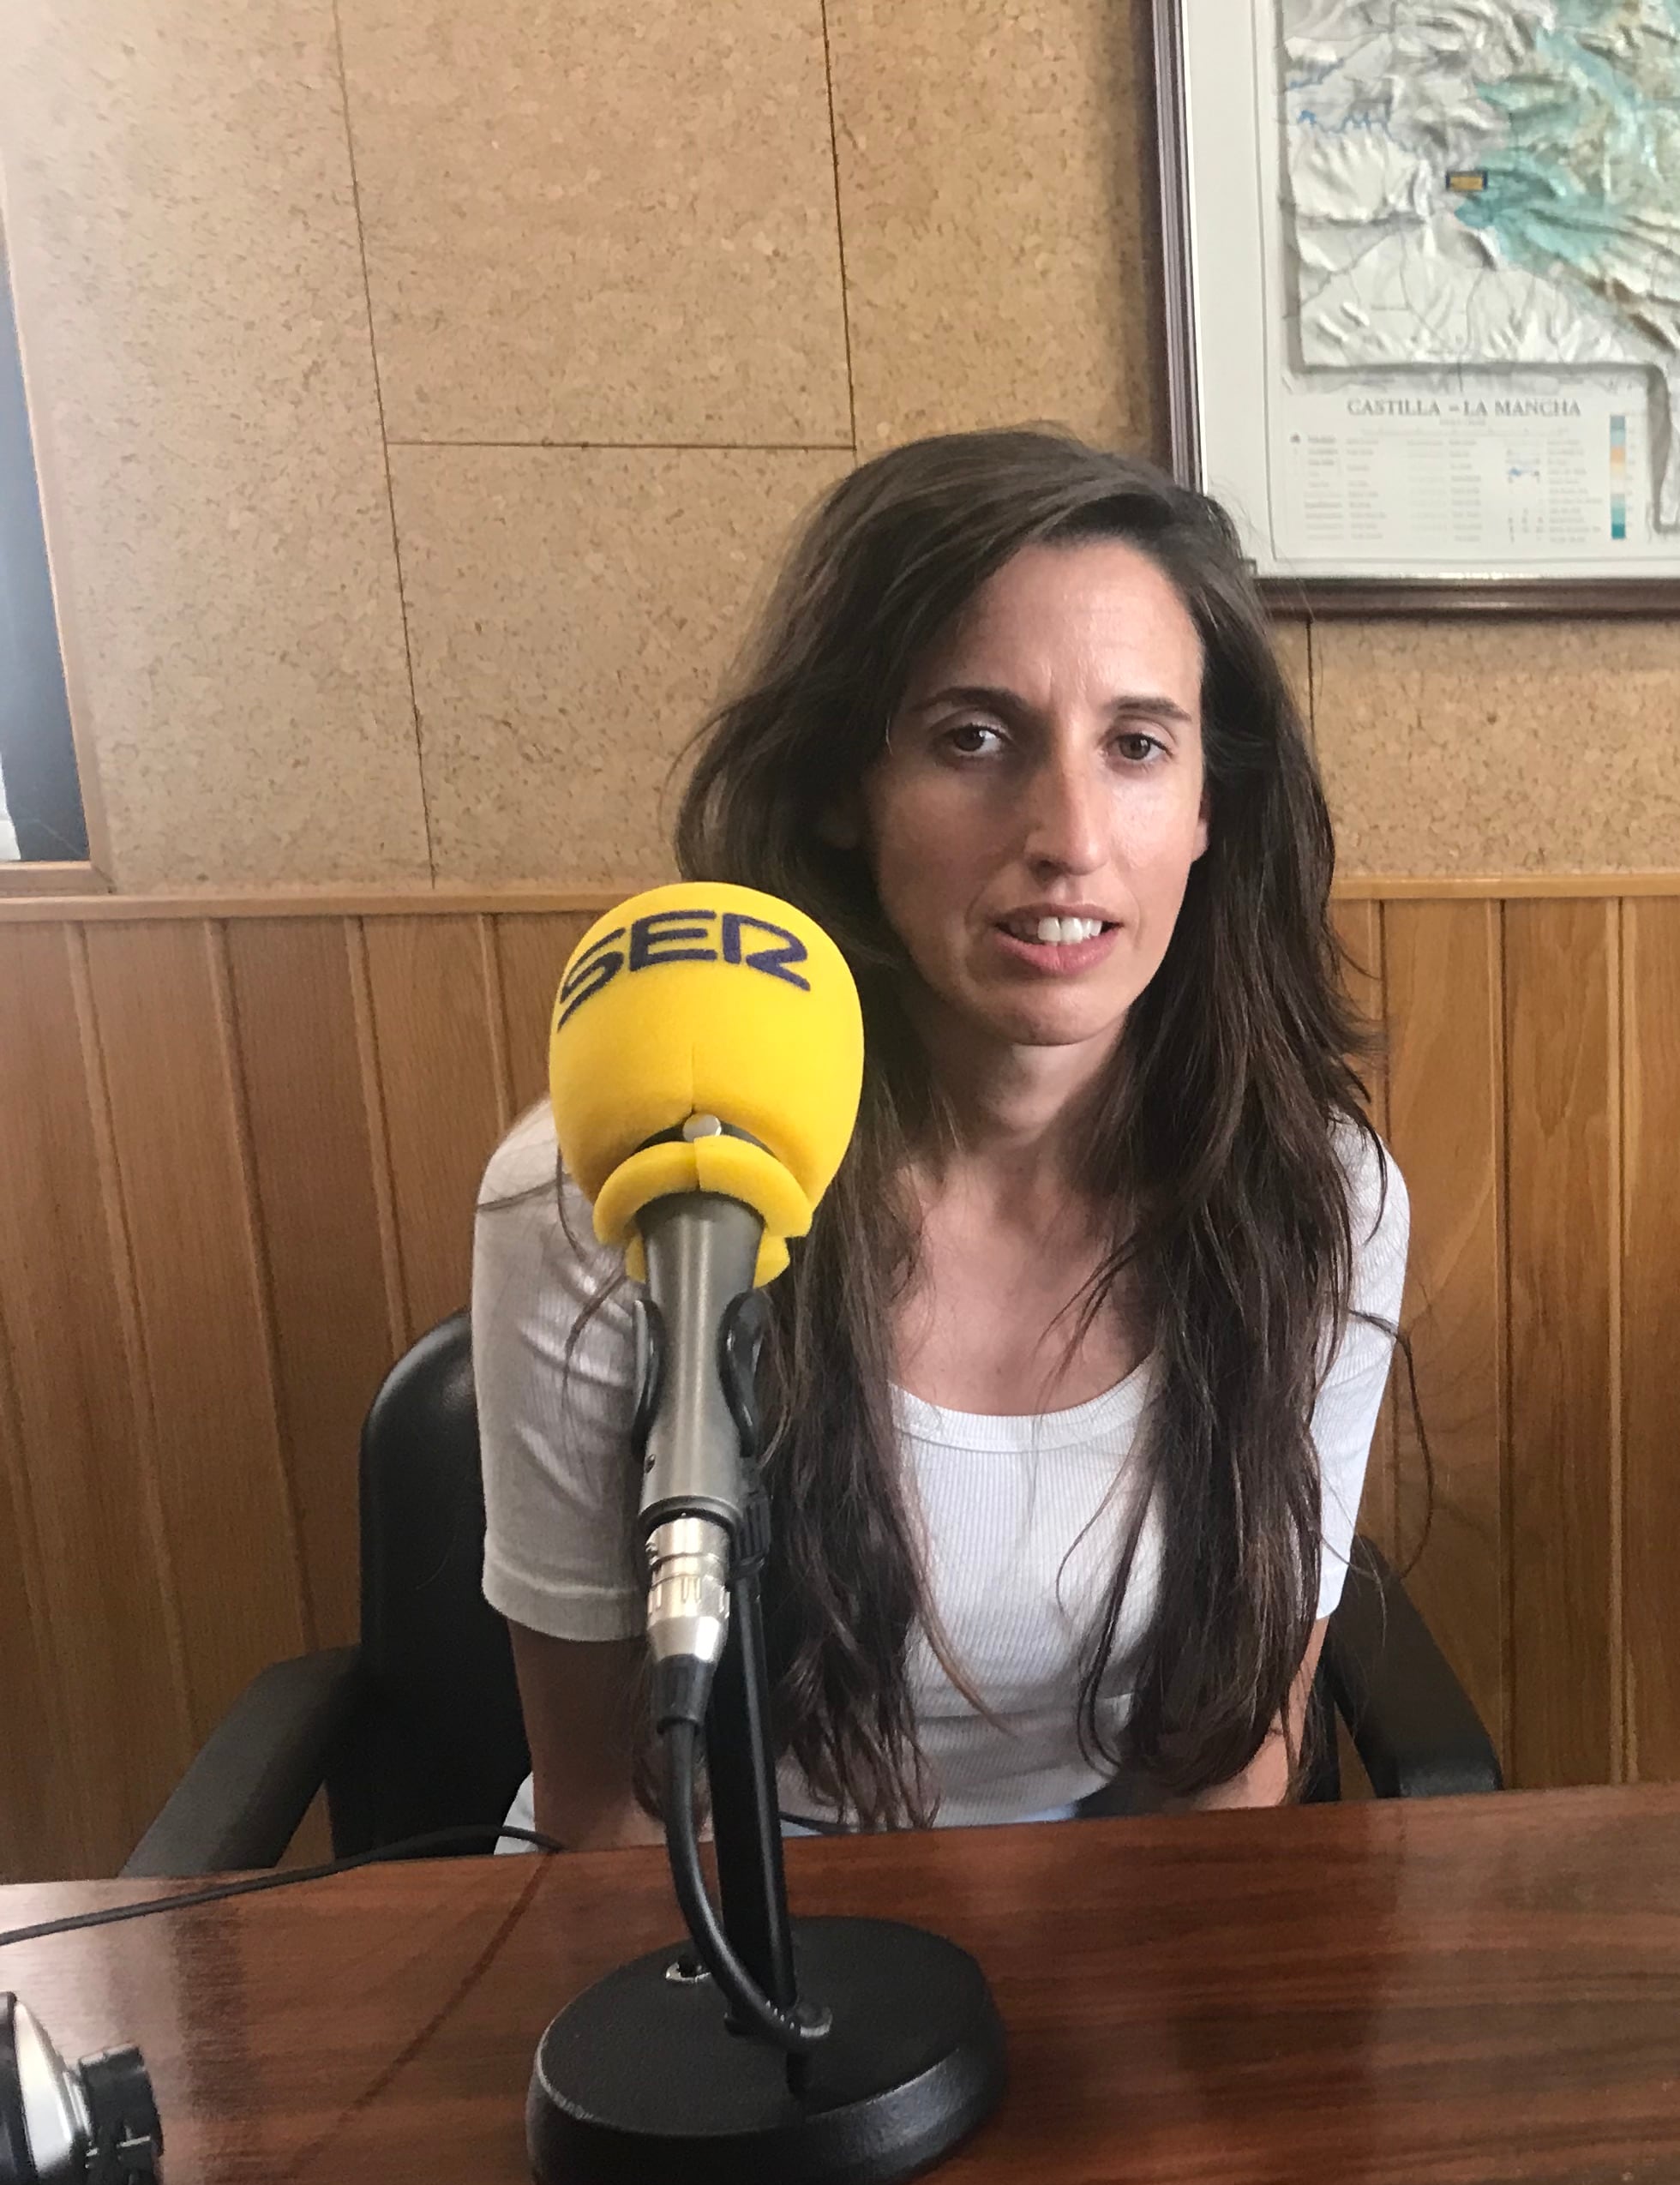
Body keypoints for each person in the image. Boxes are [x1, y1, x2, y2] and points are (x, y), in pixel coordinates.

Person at [474, 430, 1404, 1842]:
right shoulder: (603, 1193)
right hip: (710, 1914)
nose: (1069, 835)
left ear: (1211, 805)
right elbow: (607, 1811)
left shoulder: (1318, 1199)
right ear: (844, 789)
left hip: (1101, 1922)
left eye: (1138, 745)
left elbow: (1238, 1761)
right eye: (975, 739)